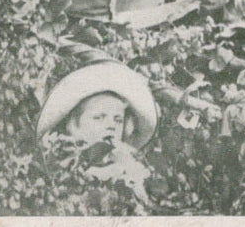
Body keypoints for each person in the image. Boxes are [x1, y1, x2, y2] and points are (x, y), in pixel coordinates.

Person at [36, 60, 158, 205]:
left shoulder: (130, 176)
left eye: (118, 120)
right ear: (73, 125)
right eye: (99, 118)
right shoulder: (60, 173)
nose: (111, 126)